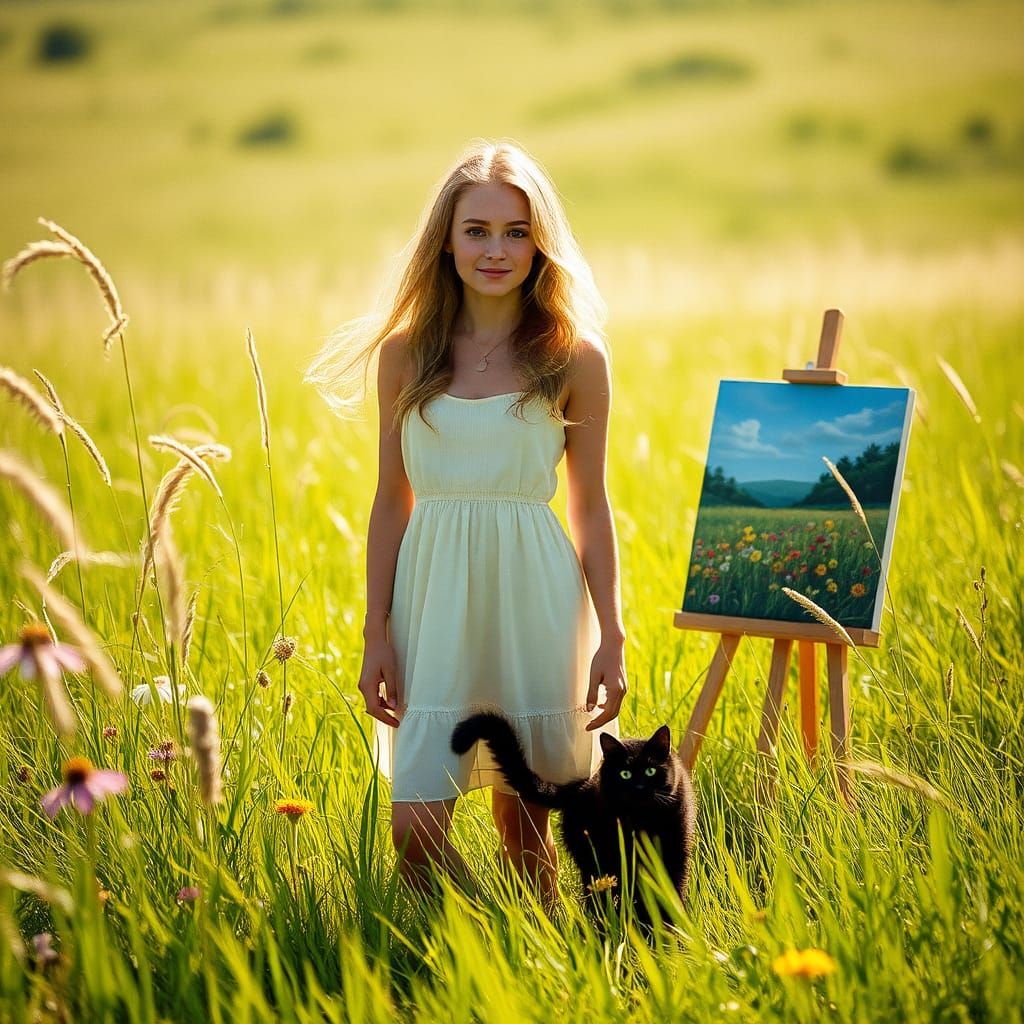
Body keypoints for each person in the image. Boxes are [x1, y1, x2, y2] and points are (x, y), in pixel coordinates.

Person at [306, 139, 627, 910]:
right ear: (445, 240)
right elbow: (392, 499)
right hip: (432, 601)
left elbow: (589, 503)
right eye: (478, 230)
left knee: (528, 832)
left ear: (540, 242)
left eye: (516, 232)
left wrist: (613, 634)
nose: (496, 250)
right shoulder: (405, 356)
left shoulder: (573, 357)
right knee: (415, 830)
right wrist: (374, 630)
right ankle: (483, 934)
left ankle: (534, 968)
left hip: (537, 598)